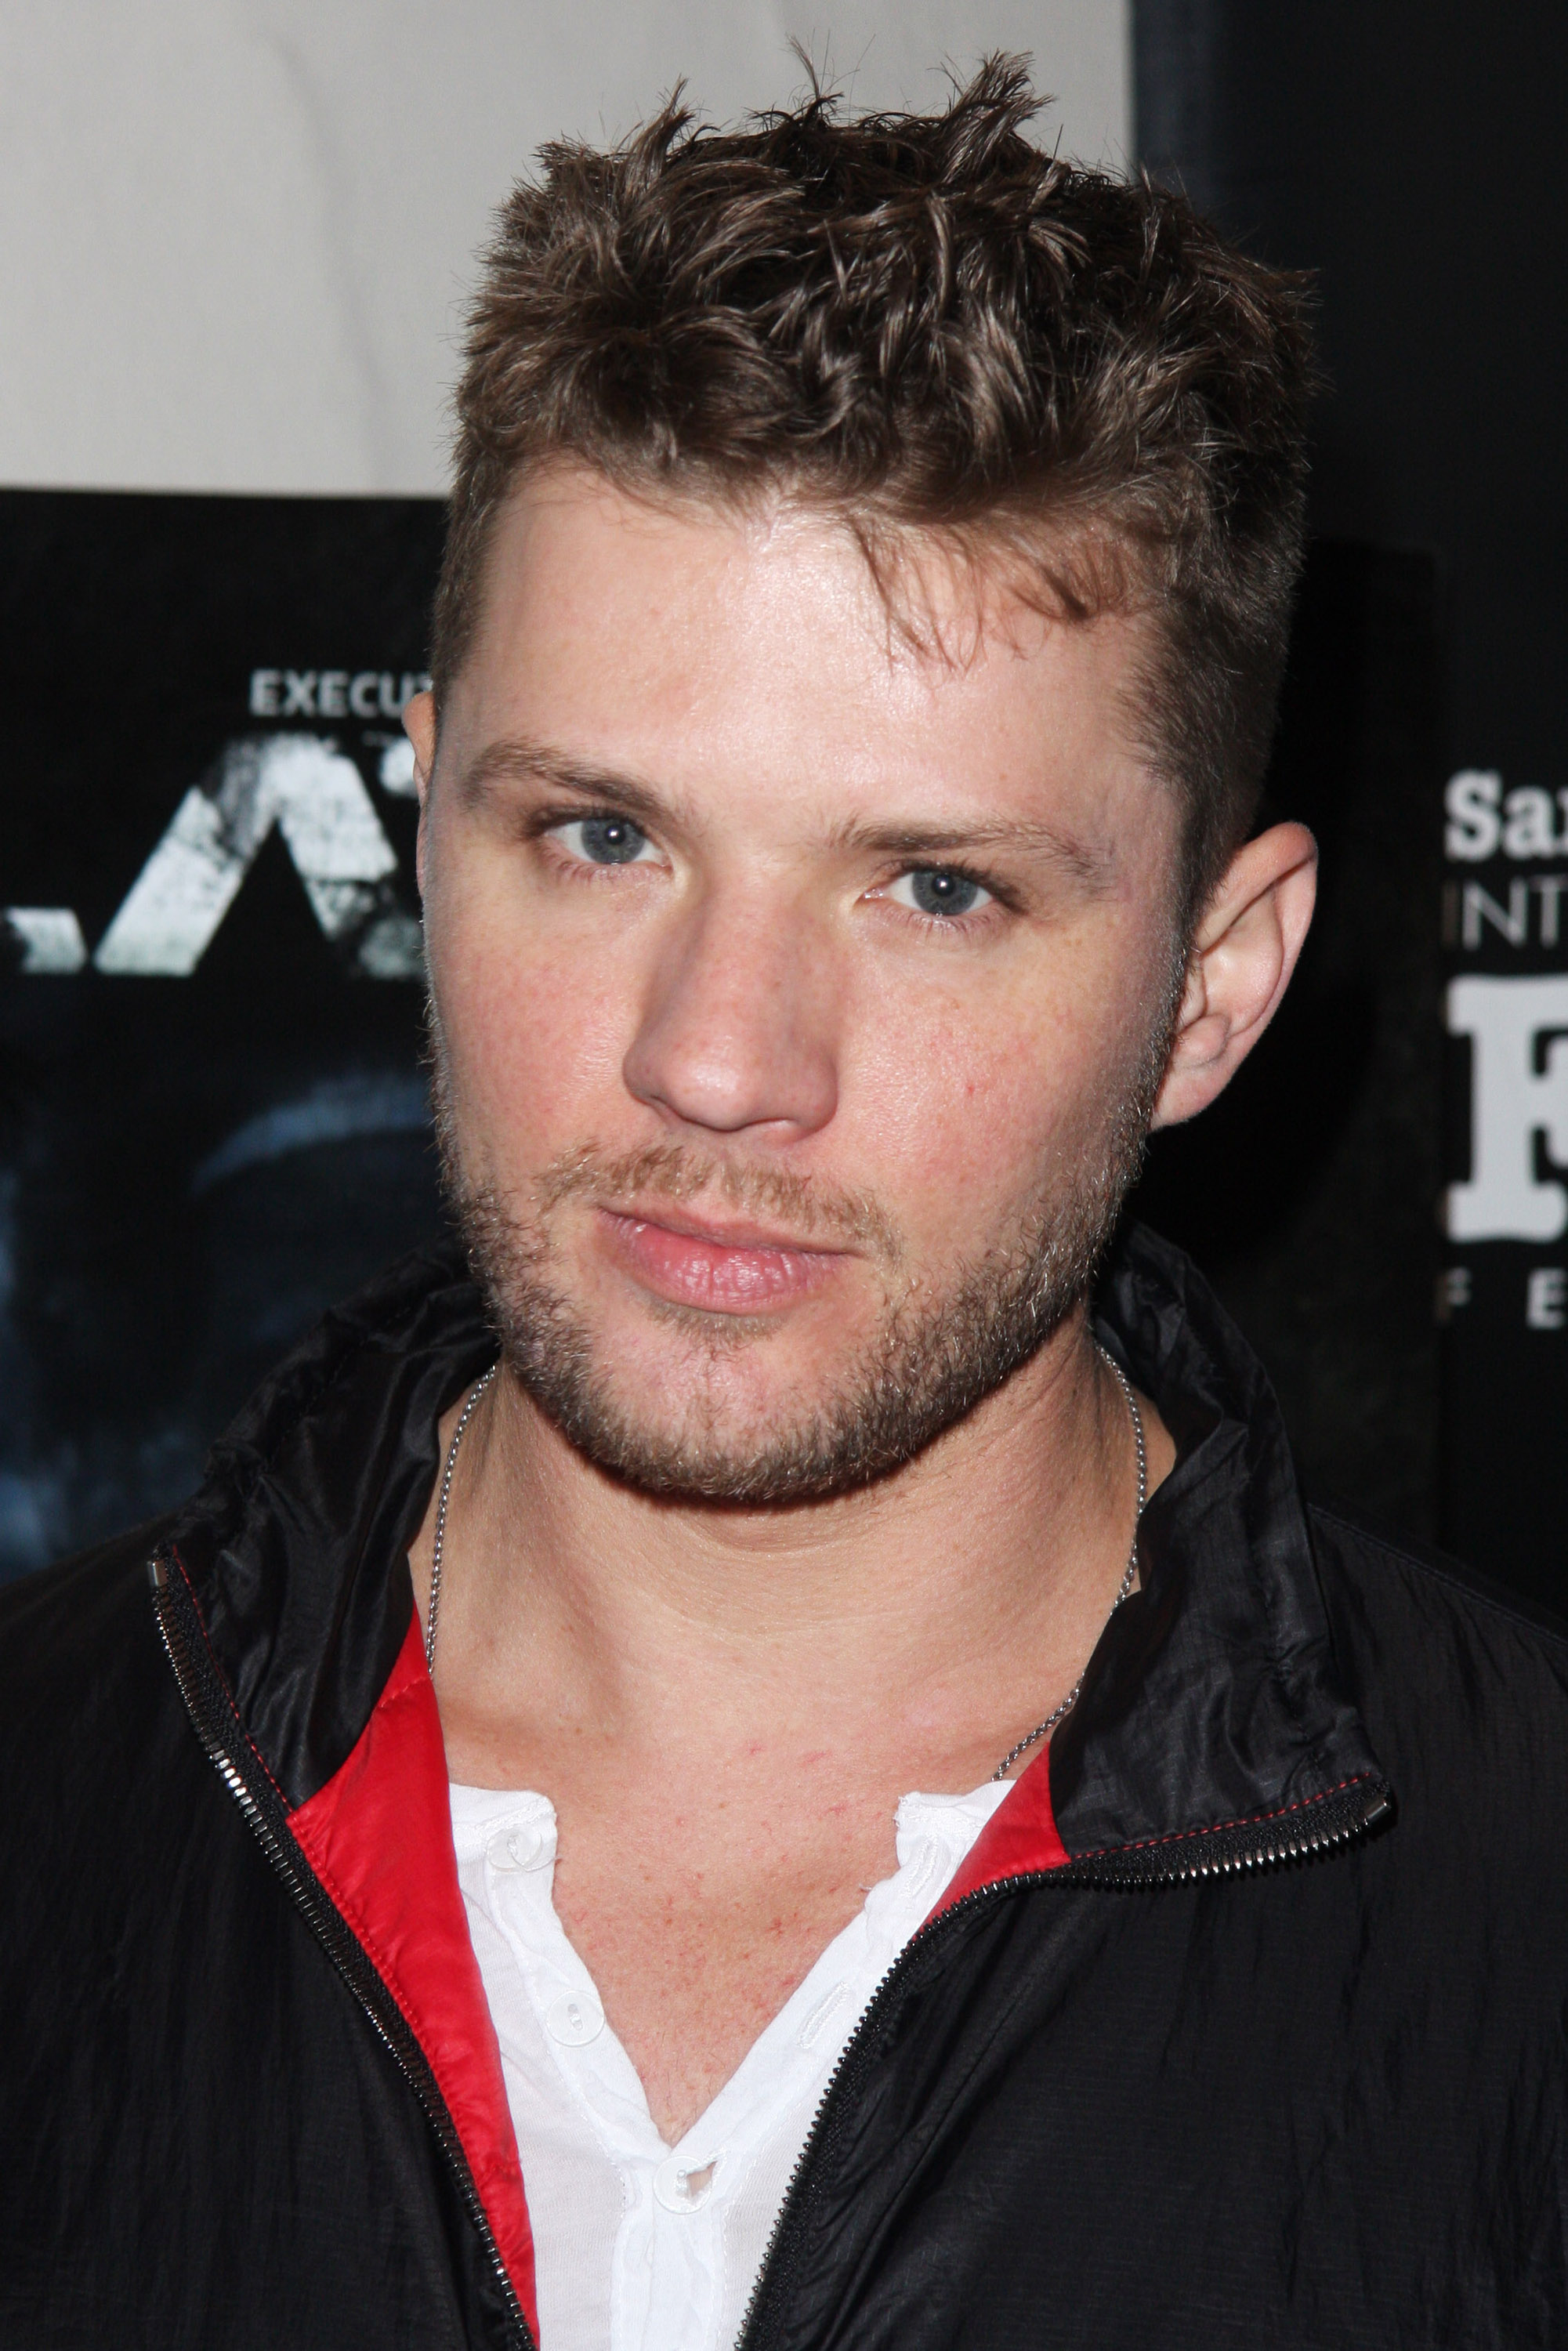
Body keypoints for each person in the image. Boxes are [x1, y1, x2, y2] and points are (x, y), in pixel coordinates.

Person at [2, 59, 1564, 2351]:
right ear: (423, 835)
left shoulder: (1520, 1926)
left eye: (932, 885)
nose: (718, 1059)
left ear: (1211, 990)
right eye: (603, 838)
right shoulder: (44, 1817)